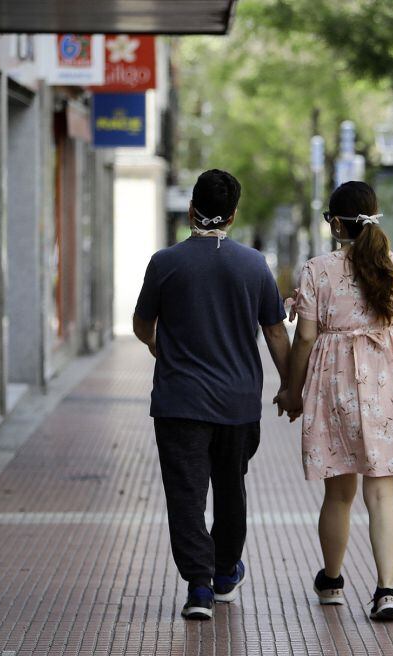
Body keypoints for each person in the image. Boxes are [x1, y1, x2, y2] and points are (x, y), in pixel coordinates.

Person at [133, 169, 291, 620]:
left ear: (191, 210)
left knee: (186, 494)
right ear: (233, 215)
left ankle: (198, 587)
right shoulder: (253, 265)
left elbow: (142, 323)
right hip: (237, 403)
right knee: (230, 488)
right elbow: (275, 332)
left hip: (179, 402)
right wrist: (290, 386)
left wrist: (157, 345)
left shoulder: (165, 262)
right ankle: (224, 573)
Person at [279, 181, 393, 621]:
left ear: (337, 224)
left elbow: (305, 337)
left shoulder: (317, 270)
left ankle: (332, 582)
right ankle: (386, 591)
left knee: (339, 492)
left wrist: (292, 389)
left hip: (335, 383)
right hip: (387, 383)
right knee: (382, 494)